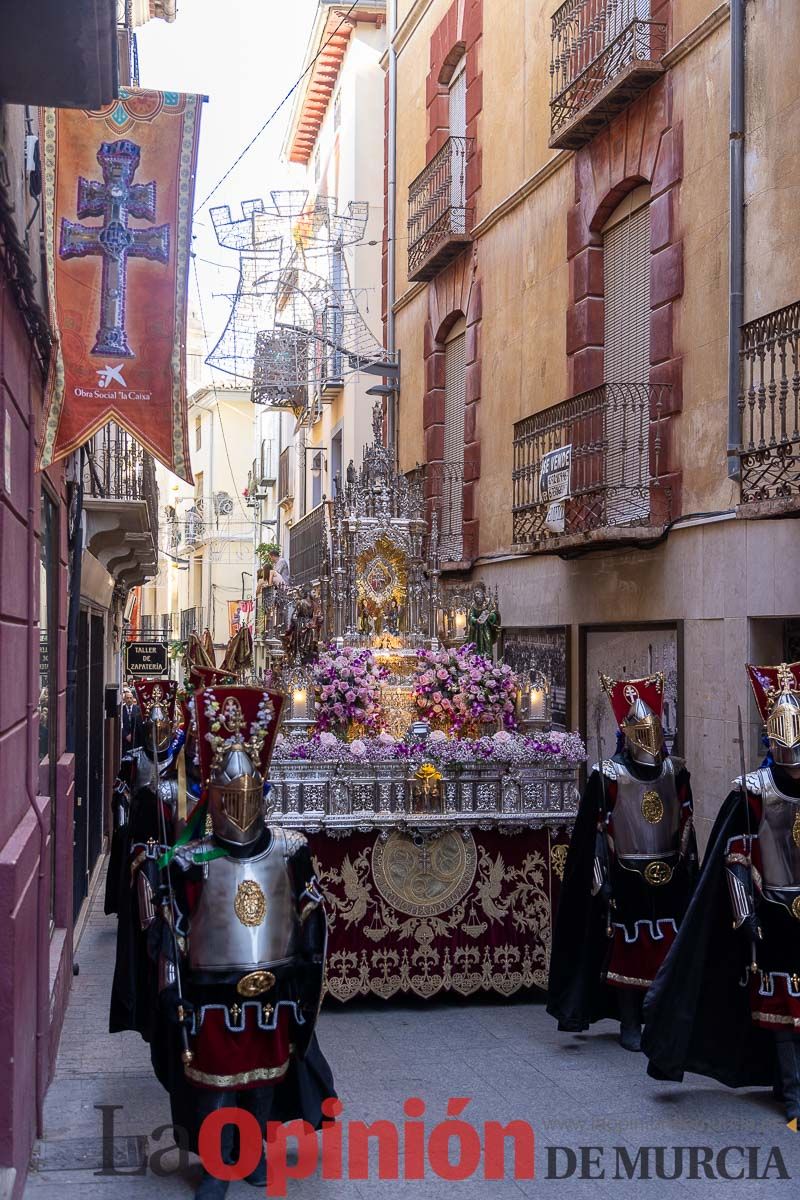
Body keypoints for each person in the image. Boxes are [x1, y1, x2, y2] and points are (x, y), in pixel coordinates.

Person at [145, 684, 335, 1197]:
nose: (242, 808)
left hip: (274, 979)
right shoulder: (192, 859)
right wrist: (170, 983)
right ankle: (215, 1162)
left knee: (264, 1075)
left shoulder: (290, 849)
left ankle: (251, 1153)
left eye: (250, 797)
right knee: (213, 1077)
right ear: (215, 798)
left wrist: (307, 963)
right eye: (232, 798)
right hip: (211, 986)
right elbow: (172, 925)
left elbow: (310, 909)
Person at [643, 662, 800, 1123]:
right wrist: (745, 912)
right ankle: (793, 1091)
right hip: (773, 912)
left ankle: (786, 1082)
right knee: (781, 1003)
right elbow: (735, 859)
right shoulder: (753, 793)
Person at [547, 672, 697, 1051]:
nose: (649, 739)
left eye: (653, 730)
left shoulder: (675, 771)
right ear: (627, 735)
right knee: (629, 949)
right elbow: (595, 835)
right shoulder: (609, 776)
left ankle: (656, 1016)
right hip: (626, 873)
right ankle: (629, 1020)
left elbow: (686, 821)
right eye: (641, 731)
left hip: (668, 871)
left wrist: (687, 865)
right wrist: (601, 880)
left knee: (666, 946)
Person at [108, 679, 182, 1036]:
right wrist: (125, 827)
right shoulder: (134, 758)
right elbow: (121, 793)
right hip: (141, 850)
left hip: (173, 851)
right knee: (144, 919)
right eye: (151, 726)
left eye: (160, 726)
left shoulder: (178, 761)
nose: (155, 732)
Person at [467, 583, 500, 658]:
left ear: (483, 595)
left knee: (487, 641)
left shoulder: (488, 604)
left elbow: (495, 613)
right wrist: (475, 620)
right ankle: (475, 659)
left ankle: (488, 657)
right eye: (476, 597)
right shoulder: (473, 606)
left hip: (486, 628)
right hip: (476, 630)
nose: (478, 599)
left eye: (479, 596)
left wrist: (490, 616)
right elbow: (470, 617)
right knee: (475, 646)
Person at [121, 685, 143, 751]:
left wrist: (133, 735)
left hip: (136, 740)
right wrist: (126, 735)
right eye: (127, 698)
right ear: (124, 699)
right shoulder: (121, 710)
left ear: (133, 698)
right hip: (124, 740)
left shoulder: (138, 709)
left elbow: (140, 725)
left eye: (130, 698)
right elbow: (120, 724)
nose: (129, 700)